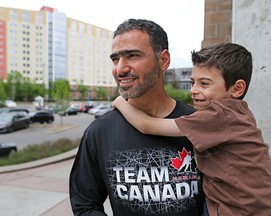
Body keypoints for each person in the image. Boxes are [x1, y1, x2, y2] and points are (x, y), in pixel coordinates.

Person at [112, 42, 271, 216]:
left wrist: (120, 101)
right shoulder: (241, 112)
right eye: (192, 82)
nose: (194, 90)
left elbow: (146, 125)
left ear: (237, 88)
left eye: (204, 84)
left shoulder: (218, 115)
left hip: (236, 209)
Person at [69, 19, 205, 216]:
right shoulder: (99, 132)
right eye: (115, 59)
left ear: (164, 60)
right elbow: (84, 205)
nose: (120, 69)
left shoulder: (200, 125)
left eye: (132, 56)